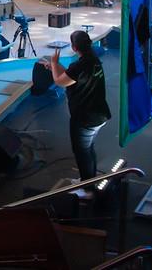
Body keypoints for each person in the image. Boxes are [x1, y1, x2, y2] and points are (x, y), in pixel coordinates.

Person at [47, 31, 111, 193]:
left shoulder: (80, 65)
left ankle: (87, 190)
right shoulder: (93, 59)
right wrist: (54, 67)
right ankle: (89, 180)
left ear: (74, 47)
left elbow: (60, 81)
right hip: (99, 114)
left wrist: (53, 63)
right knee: (88, 149)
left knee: (82, 152)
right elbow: (70, 76)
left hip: (85, 118)